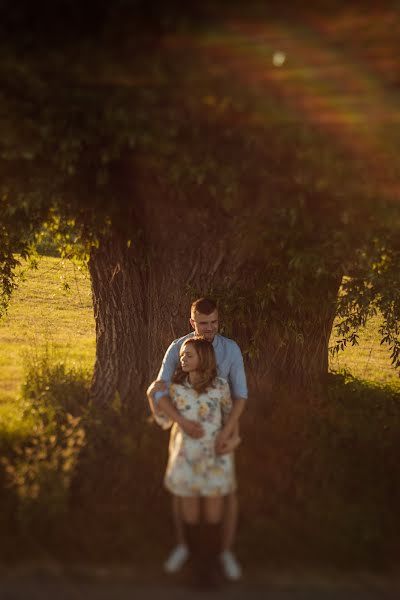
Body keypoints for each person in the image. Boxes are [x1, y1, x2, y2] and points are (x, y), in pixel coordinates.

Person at [147, 297, 247, 580]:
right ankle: (187, 548)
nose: (210, 328)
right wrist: (182, 422)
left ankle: (221, 552)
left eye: (214, 322)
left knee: (224, 493)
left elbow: (238, 397)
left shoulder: (230, 350)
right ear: (192, 323)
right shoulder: (180, 349)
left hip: (220, 434)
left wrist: (230, 435)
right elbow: (162, 390)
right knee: (185, 494)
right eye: (203, 323)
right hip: (186, 436)